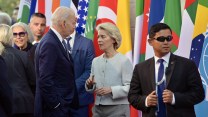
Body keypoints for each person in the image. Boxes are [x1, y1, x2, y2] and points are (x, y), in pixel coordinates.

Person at [128, 23, 205, 117]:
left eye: (169, 38)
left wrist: (175, 98)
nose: (166, 42)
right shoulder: (140, 68)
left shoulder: (187, 65)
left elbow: (199, 94)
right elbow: (132, 96)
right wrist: (146, 100)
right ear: (150, 42)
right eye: (161, 39)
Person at [34, 6, 79, 117]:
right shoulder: (50, 43)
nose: (75, 27)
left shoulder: (54, 40)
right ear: (63, 23)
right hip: (53, 110)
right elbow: (45, 79)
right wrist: (57, 104)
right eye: (73, 23)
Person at [85, 22, 133, 117]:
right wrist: (89, 84)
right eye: (98, 37)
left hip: (118, 109)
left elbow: (131, 87)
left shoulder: (124, 61)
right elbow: (92, 87)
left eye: (103, 37)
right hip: (98, 109)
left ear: (114, 39)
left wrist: (111, 90)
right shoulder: (95, 61)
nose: (99, 40)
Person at [0, 24, 35, 117]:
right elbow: (33, 81)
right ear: (10, 37)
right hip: (25, 104)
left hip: (7, 106)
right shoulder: (23, 55)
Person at [69, 30, 95, 116]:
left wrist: (70, 88)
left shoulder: (87, 43)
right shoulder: (53, 42)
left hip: (80, 100)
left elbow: (90, 70)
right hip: (58, 102)